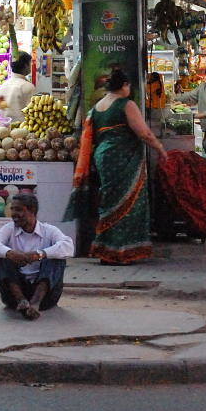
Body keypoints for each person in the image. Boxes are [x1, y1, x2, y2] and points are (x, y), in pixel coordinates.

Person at [67, 69, 167, 265]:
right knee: (130, 203)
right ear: (124, 85)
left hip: (103, 157)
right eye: (128, 85)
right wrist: (160, 148)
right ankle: (123, 251)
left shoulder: (97, 107)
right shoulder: (125, 104)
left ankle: (106, 250)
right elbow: (144, 133)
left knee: (109, 202)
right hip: (123, 158)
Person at [0, 193, 74, 320]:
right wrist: (10, 253)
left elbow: (68, 246)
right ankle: (22, 301)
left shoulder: (49, 230)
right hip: (14, 298)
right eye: (12, 209)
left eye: (19, 210)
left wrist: (40, 254)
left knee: (57, 257)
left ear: (32, 210)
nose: (13, 214)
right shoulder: (9, 229)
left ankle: (35, 303)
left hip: (46, 298)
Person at [0, 51, 35, 122]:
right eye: (30, 64)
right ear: (25, 66)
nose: (30, 66)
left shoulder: (3, 85)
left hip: (5, 127)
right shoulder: (27, 86)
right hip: (22, 129)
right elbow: (32, 112)